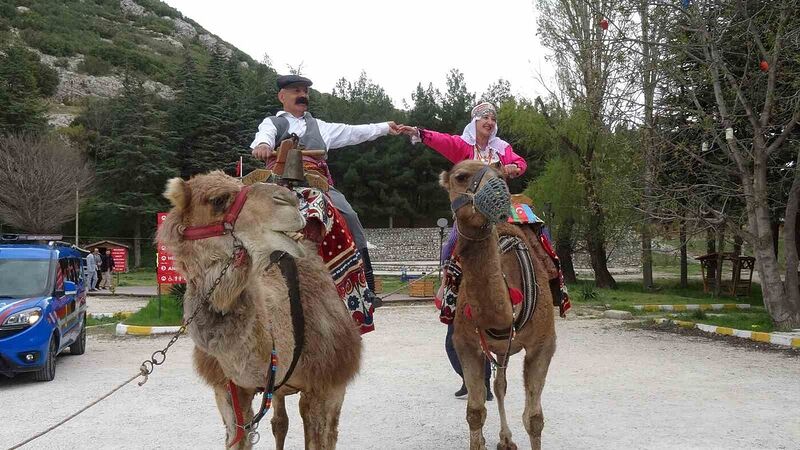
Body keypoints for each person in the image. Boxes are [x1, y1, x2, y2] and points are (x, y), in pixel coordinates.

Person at [399, 101, 527, 400]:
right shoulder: (463, 147)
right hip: (473, 215)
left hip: (501, 210)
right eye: (485, 117)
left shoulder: (502, 148)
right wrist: (418, 131)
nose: (490, 121)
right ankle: (452, 285)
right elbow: (440, 140)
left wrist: (512, 167)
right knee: (452, 248)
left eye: (494, 118)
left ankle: (547, 289)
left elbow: (520, 163)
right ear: (475, 121)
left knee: (534, 236)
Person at [250, 74, 400, 306]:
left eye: (304, 91)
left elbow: (354, 132)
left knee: (349, 215)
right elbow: (264, 138)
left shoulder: (320, 127)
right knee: (243, 213)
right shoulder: (272, 122)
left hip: (316, 182)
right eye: (296, 91)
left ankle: (367, 285)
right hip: (277, 181)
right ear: (282, 96)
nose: (302, 95)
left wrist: (384, 128)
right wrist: (262, 146)